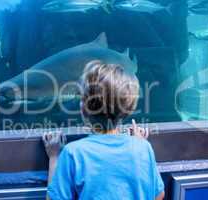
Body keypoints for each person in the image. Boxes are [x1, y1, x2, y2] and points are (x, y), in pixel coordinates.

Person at [43, 60, 165, 200]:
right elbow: (159, 195)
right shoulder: (143, 148)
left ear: (83, 109)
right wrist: (137, 143)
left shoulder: (73, 153)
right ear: (128, 110)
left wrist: (54, 157)